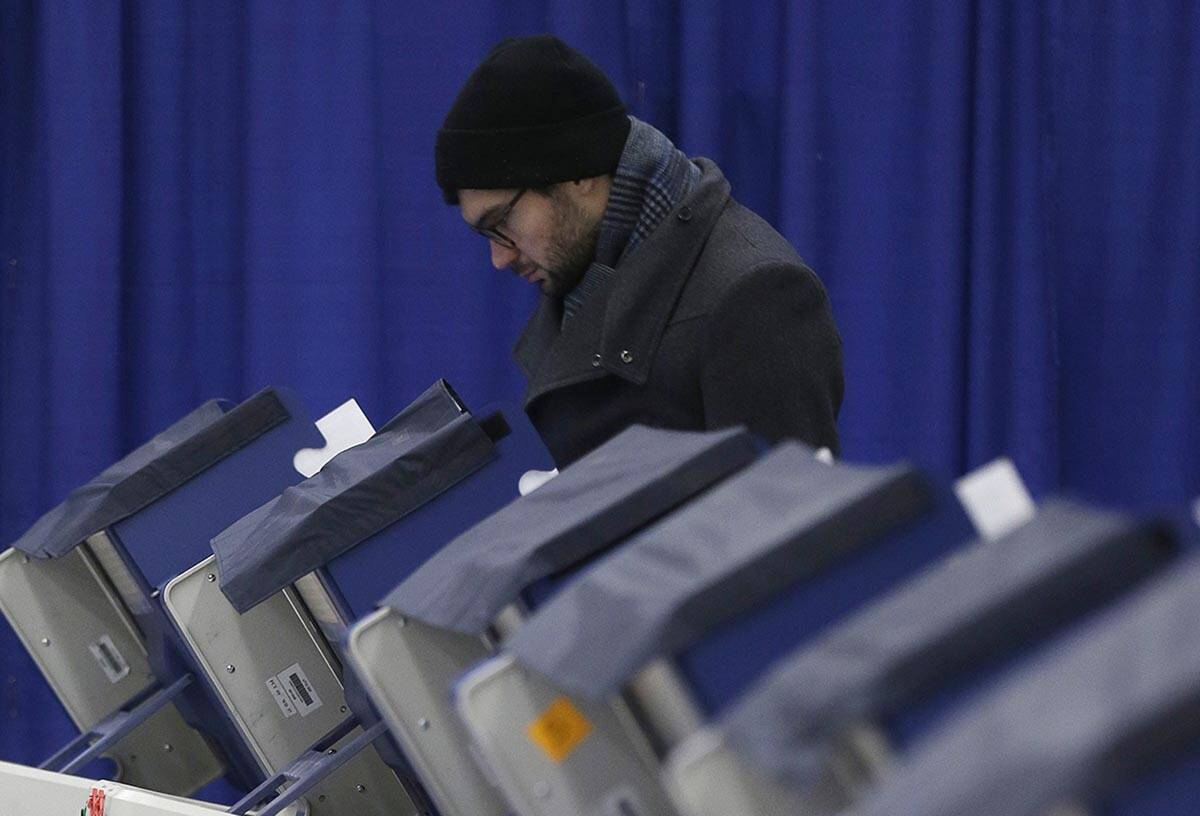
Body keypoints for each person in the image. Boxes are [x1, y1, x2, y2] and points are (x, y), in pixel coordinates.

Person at [435, 34, 844, 467]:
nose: (499, 259)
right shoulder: (588, 274)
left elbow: (786, 521)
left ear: (578, 175)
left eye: (502, 222)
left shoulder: (756, 294)